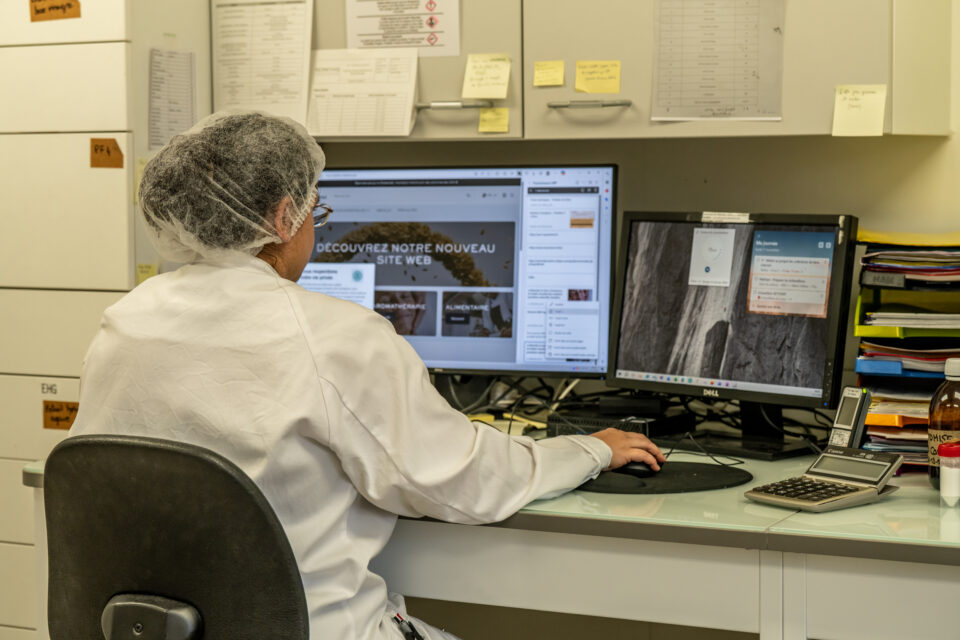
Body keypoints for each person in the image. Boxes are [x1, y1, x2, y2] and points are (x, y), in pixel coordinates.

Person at [68, 111, 665, 640]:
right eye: (315, 211)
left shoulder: (125, 321)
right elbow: (463, 481)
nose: (315, 226)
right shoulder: (335, 335)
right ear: (283, 216)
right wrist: (590, 450)